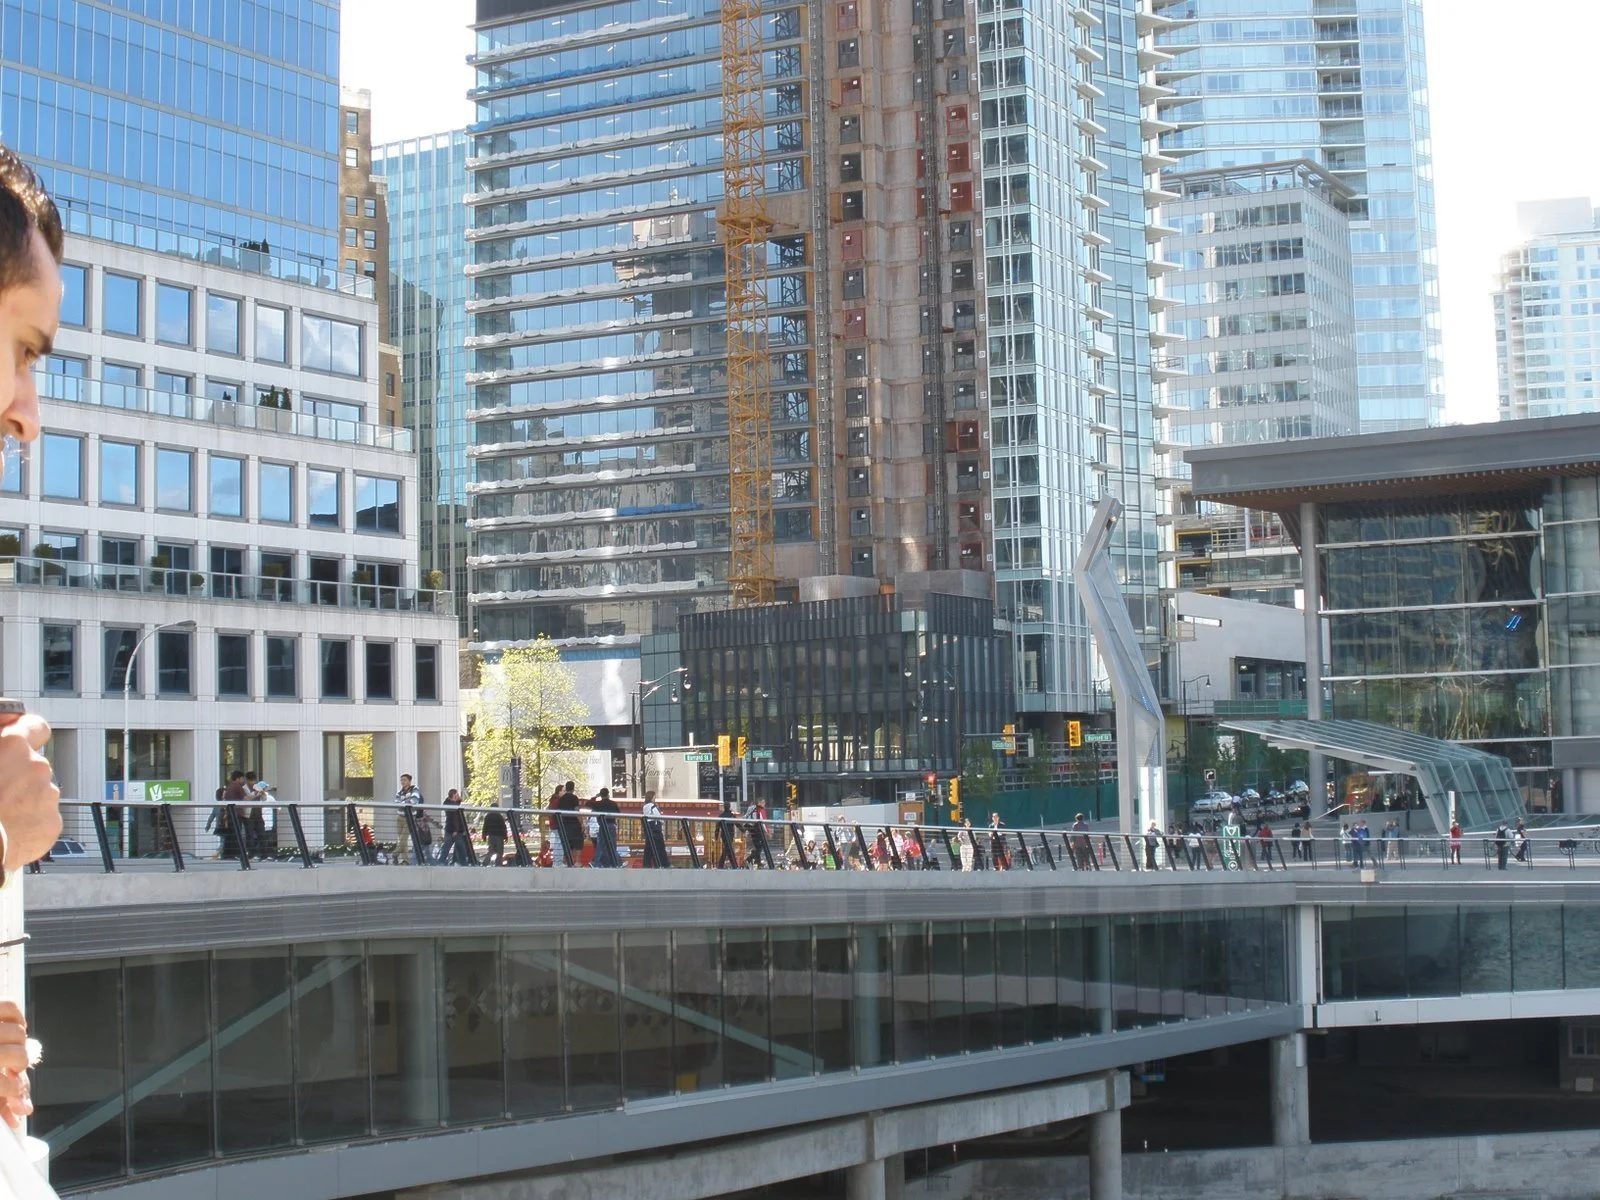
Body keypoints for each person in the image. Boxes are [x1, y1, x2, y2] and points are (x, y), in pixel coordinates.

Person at [590, 787, 621, 867]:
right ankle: (616, 863)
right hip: (611, 825)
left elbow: (588, 803)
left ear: (601, 795)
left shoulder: (598, 804)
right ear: (608, 794)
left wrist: (595, 797)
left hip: (602, 825)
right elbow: (618, 813)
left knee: (600, 846)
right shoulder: (613, 803)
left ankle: (597, 863)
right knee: (612, 845)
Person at [554, 781, 583, 866]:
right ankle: (577, 862)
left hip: (564, 824)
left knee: (567, 843)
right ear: (573, 788)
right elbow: (576, 811)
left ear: (566, 788)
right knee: (578, 842)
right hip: (574, 823)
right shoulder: (574, 798)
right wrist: (582, 823)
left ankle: (566, 862)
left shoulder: (561, 798)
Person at [440, 789, 471, 865]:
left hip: (450, 829)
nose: (458, 797)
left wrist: (459, 799)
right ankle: (463, 863)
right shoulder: (453, 806)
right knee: (460, 847)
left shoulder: (448, 803)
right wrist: (456, 830)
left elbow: (458, 802)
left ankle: (441, 861)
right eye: (456, 795)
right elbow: (455, 819)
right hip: (455, 830)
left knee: (447, 846)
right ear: (453, 796)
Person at [640, 790, 667, 868]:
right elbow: (658, 817)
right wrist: (662, 822)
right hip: (655, 828)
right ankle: (663, 864)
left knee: (649, 846)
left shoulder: (645, 807)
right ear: (652, 797)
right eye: (654, 797)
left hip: (648, 827)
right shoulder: (652, 806)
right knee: (660, 846)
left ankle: (647, 864)